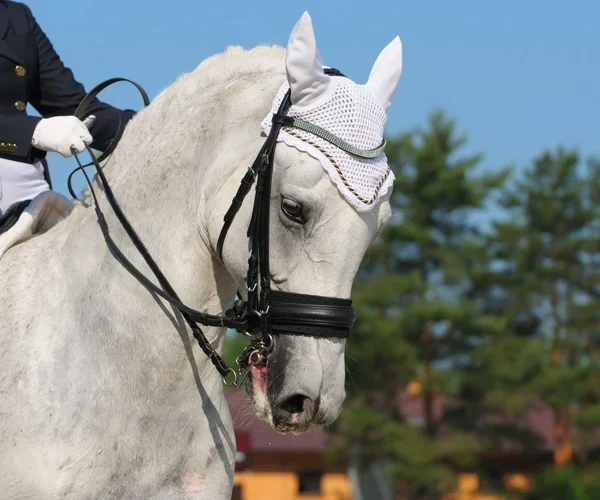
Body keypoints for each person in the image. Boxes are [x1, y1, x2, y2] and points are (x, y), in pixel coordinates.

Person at [0, 0, 135, 227]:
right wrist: (33, 132)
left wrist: (150, 124)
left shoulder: (16, 15)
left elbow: (72, 105)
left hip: (32, 194)